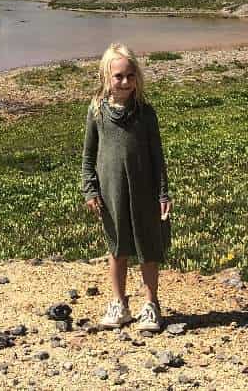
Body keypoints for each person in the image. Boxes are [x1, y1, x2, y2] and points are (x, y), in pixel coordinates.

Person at [80, 42, 172, 332]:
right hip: (111, 193)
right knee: (117, 248)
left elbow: (157, 156)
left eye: (130, 76)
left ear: (137, 77)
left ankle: (151, 305)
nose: (125, 82)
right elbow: (88, 156)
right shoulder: (97, 112)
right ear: (106, 77)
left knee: (148, 247)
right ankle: (119, 304)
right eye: (118, 76)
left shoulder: (146, 113)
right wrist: (90, 189)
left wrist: (163, 192)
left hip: (144, 192)